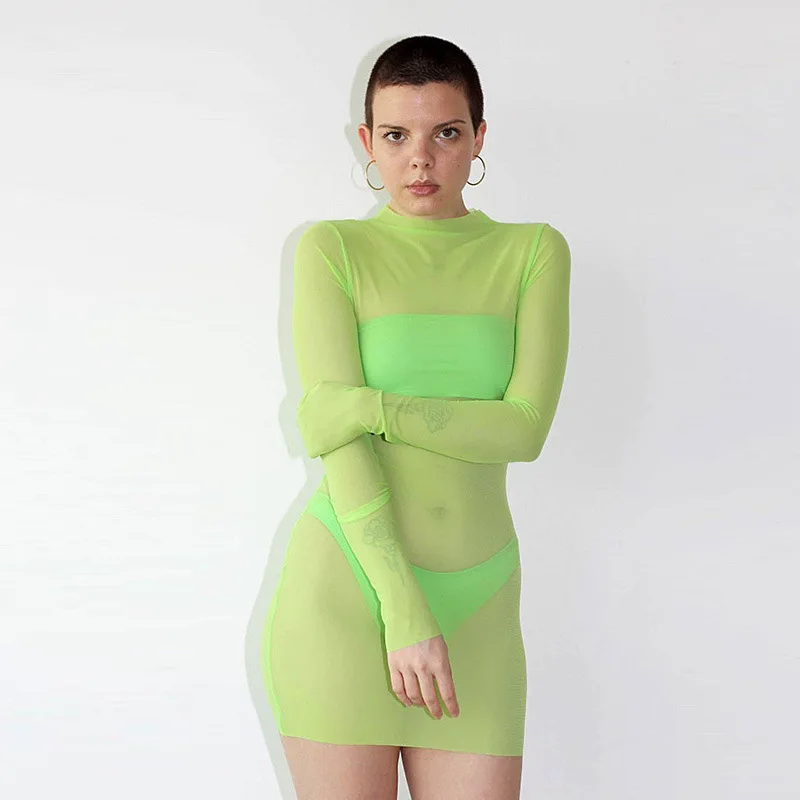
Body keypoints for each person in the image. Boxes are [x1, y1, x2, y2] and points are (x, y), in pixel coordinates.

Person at [260, 34, 571, 800]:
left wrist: (371, 407)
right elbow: (340, 447)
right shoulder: (332, 250)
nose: (420, 160)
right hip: (346, 594)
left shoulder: (532, 253)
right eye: (397, 136)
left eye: (446, 133)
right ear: (366, 142)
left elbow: (523, 430)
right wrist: (402, 609)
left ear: (479, 137)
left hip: (480, 605)